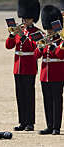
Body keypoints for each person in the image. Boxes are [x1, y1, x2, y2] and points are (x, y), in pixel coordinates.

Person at [5, 0, 40, 131]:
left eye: (28, 18)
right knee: (20, 95)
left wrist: (23, 37)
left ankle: (30, 122)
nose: (25, 21)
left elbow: (34, 48)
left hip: (29, 66)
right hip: (17, 66)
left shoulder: (37, 32)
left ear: (33, 19)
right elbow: (9, 46)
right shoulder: (20, 30)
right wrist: (12, 34)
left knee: (29, 95)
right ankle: (22, 122)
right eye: (24, 18)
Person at [35, 5, 64, 135]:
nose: (49, 32)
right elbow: (36, 55)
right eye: (47, 29)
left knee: (56, 100)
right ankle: (49, 125)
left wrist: (52, 46)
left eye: (50, 29)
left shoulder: (61, 40)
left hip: (57, 73)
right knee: (47, 100)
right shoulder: (45, 38)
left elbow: (60, 55)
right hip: (44, 74)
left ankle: (56, 127)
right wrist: (40, 47)